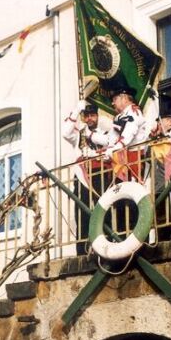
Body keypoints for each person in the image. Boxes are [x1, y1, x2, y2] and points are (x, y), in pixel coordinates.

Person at [63, 100, 111, 254]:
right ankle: (82, 249)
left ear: (97, 116)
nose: (90, 119)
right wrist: (76, 110)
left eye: (92, 115)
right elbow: (65, 132)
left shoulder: (105, 132)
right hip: (82, 176)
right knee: (82, 212)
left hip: (101, 175)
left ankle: (105, 245)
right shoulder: (79, 134)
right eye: (87, 116)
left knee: (103, 210)